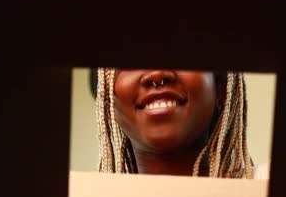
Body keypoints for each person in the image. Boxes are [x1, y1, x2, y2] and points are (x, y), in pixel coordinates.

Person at [94, 68, 267, 179]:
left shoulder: (269, 195)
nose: (157, 76)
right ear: (108, 98)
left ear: (220, 87)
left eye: (182, 53)